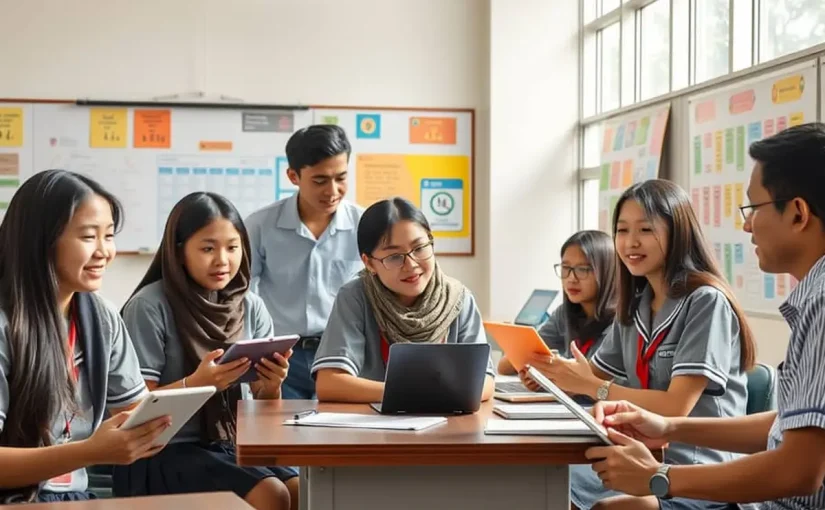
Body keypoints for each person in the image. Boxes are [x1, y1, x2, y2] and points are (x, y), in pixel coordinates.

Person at [585, 123, 825, 509]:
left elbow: (799, 470)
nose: (746, 224)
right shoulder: (811, 296)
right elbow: (790, 427)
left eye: (753, 208)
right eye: (622, 230)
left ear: (797, 213)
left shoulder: (820, 303)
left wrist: (658, 478)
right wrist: (668, 427)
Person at [528, 180, 756, 509]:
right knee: (545, 479)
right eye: (622, 230)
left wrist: (593, 386)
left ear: (677, 232)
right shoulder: (635, 304)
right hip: (637, 456)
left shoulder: (705, 302)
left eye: (645, 229)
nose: (631, 242)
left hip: (697, 472)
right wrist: (556, 374)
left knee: (605, 506)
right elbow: (591, 376)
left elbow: (675, 406)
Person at [114, 192, 298, 510]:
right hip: (163, 452)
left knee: (302, 489)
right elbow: (134, 410)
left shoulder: (250, 306)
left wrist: (271, 388)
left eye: (232, 247)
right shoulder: (149, 306)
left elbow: (264, 411)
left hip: (233, 444)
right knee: (272, 494)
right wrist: (198, 383)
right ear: (179, 251)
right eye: (207, 248)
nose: (222, 260)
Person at [0, 170, 168, 504]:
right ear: (42, 240)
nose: (105, 251)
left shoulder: (101, 317)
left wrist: (147, 431)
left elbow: (133, 411)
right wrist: (89, 451)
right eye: (89, 237)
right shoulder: (6, 323)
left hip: (76, 496)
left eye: (109, 235)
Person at [310, 197, 496, 403]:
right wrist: (412, 392)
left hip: (447, 426)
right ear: (369, 263)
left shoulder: (459, 299)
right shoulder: (355, 297)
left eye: (419, 248)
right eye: (394, 257)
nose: (411, 265)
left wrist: (417, 394)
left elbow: (484, 381)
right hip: (371, 426)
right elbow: (329, 384)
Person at [246, 125, 364, 400]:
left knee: (343, 438)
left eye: (341, 178)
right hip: (281, 357)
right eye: (320, 180)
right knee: (282, 436)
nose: (332, 191)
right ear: (293, 176)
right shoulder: (261, 226)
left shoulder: (364, 225)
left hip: (344, 355)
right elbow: (243, 296)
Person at [497, 230, 617, 394]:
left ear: (607, 272)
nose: (571, 278)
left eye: (582, 269)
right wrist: (537, 374)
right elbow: (505, 366)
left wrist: (550, 375)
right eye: (566, 268)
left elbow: (591, 382)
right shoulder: (565, 314)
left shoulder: (621, 322)